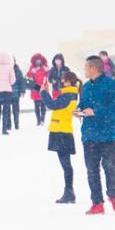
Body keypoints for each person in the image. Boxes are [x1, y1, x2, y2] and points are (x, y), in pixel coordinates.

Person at [76, 55, 115, 215]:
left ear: (93, 68)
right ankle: (97, 203)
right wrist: (78, 110)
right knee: (92, 170)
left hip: (108, 134)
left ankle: (113, 196)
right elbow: (82, 104)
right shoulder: (86, 87)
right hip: (89, 135)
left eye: (85, 67)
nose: (84, 70)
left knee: (110, 167)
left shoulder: (113, 85)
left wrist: (96, 111)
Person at [40, 71, 81, 204]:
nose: (62, 82)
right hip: (61, 131)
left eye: (64, 80)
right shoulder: (68, 94)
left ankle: (69, 192)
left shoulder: (69, 95)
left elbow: (52, 105)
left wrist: (43, 93)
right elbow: (57, 104)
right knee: (66, 165)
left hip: (61, 133)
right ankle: (69, 192)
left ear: (69, 81)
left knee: (66, 165)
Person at [0, 52, 16, 135]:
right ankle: (4, 129)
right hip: (6, 92)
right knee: (5, 111)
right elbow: (12, 80)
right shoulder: (9, 67)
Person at [27, 53, 49, 125]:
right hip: (35, 88)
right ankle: (38, 120)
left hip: (43, 87)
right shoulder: (32, 68)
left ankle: (42, 119)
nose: (38, 62)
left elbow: (50, 75)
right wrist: (31, 72)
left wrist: (47, 71)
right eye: (36, 60)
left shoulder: (45, 67)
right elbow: (28, 76)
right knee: (36, 106)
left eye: (39, 60)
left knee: (43, 105)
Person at [12, 57, 26, 130]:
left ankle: (16, 124)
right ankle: (8, 125)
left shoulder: (18, 70)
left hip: (16, 93)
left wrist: (22, 91)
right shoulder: (5, 69)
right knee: (7, 110)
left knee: (16, 110)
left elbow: (22, 81)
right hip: (7, 93)